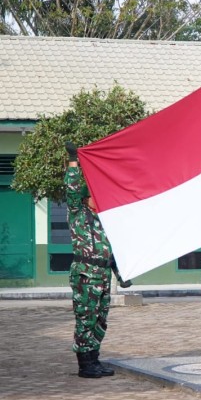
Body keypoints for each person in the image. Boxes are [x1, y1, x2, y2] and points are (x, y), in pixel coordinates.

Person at [64, 142, 131, 379]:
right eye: (93, 196)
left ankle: (94, 358)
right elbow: (72, 189)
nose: (98, 199)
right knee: (86, 319)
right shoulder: (78, 215)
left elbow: (111, 253)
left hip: (102, 276)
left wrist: (123, 276)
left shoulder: (105, 222)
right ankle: (84, 364)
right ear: (85, 200)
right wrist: (74, 161)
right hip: (85, 275)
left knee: (100, 321)